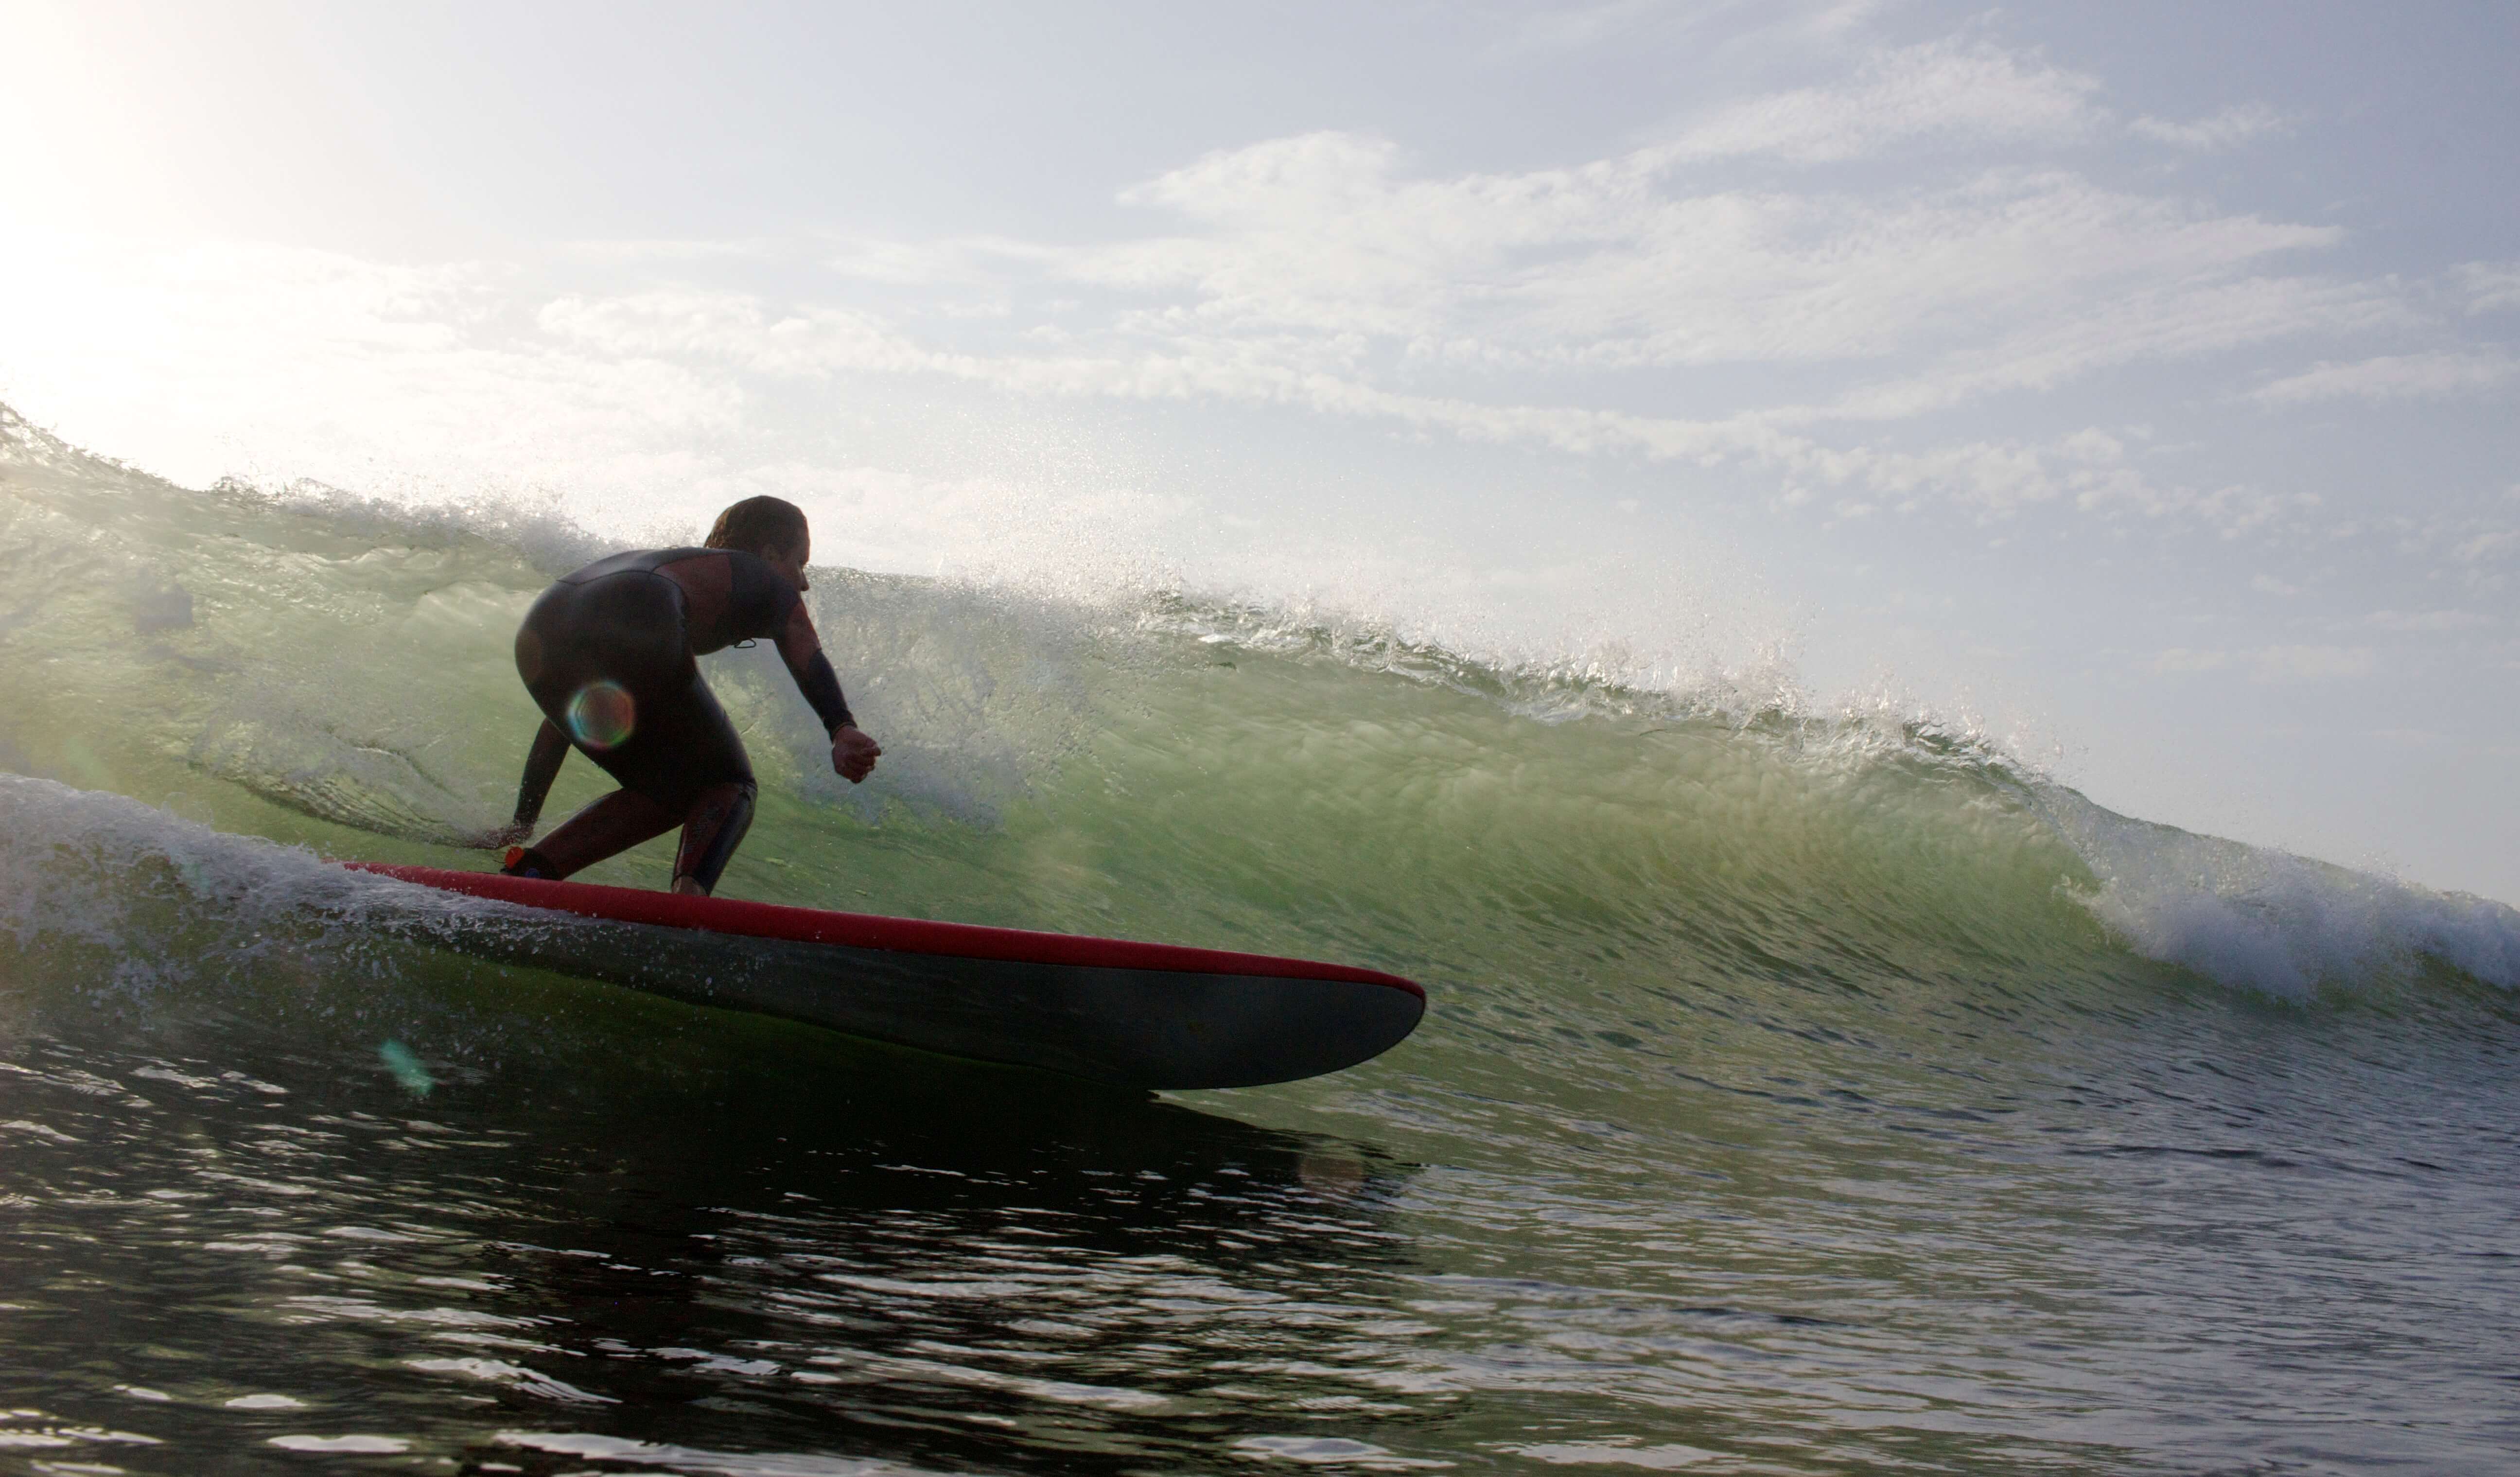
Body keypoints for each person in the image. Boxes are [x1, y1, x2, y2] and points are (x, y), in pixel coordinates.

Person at [493, 495, 880, 895]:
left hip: (545, 627)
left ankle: (525, 878)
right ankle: (687, 906)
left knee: (670, 790)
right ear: (768, 554)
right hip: (643, 612)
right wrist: (841, 727)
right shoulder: (763, 577)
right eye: (799, 563)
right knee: (731, 783)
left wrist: (522, 820)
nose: (803, 581)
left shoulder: (686, 569)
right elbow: (806, 650)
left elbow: (563, 722)